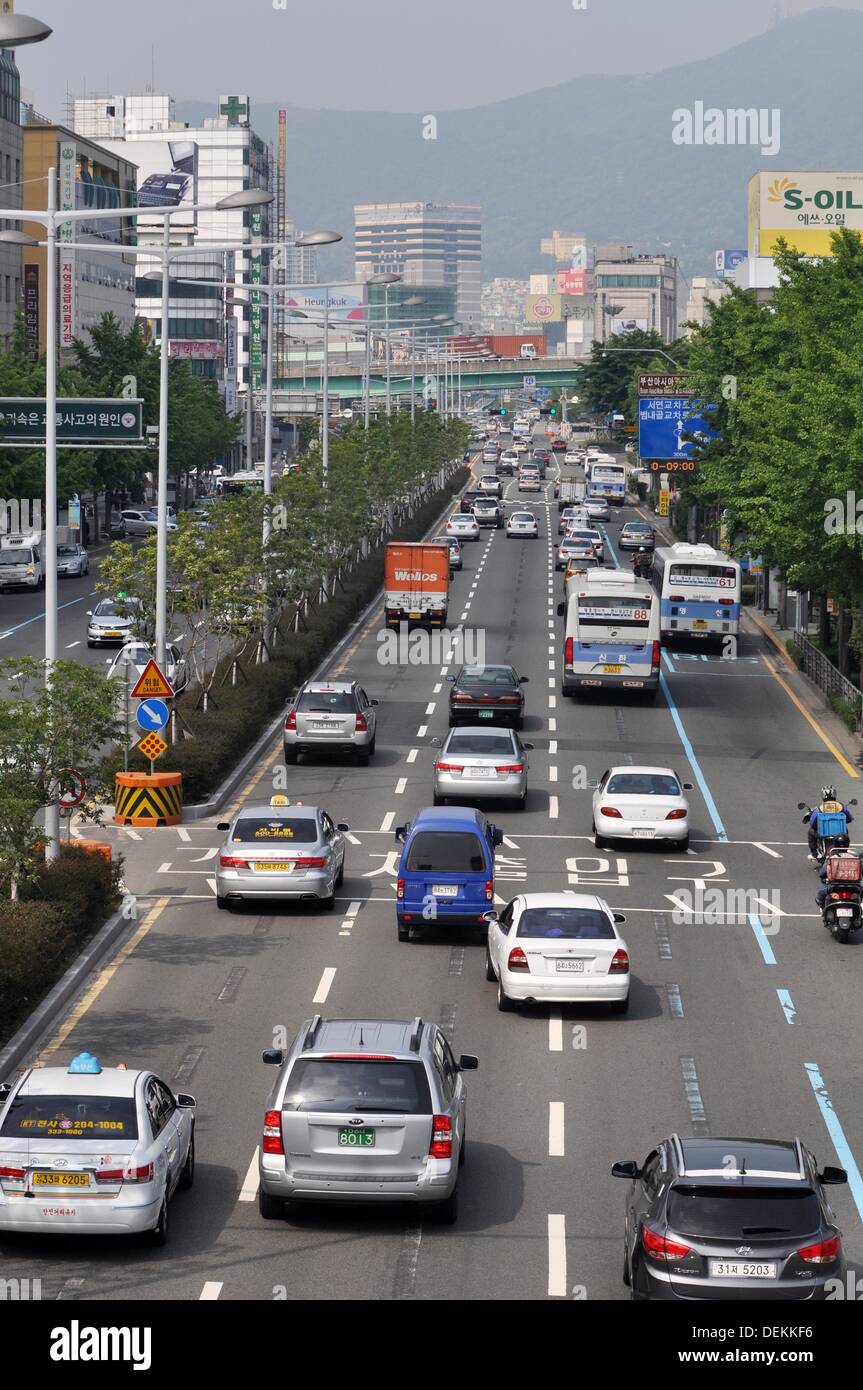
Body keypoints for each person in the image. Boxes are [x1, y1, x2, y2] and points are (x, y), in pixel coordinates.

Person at [808, 785, 854, 859]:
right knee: (845, 829)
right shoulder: (841, 806)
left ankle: (815, 853)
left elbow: (812, 822)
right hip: (840, 833)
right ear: (834, 794)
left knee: (811, 831)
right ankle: (844, 849)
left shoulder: (820, 807)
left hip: (823, 834)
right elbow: (849, 818)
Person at [816, 835, 856, 909]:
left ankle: (823, 909)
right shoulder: (855, 858)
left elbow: (822, 873)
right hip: (853, 887)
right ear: (848, 844)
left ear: (835, 844)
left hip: (834, 887)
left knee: (820, 894)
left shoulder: (831, 858)